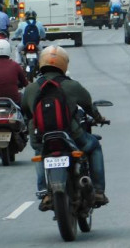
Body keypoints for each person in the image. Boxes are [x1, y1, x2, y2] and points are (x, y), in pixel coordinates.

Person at [20, 45, 109, 210]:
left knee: (40, 152)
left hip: (41, 137)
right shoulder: (72, 86)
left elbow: (25, 112)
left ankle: (44, 192)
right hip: (71, 135)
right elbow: (89, 107)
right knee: (94, 147)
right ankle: (98, 191)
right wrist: (99, 118)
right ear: (63, 64)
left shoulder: (31, 88)